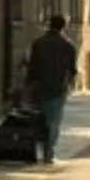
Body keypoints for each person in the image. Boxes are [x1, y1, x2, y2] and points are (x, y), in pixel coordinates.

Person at [24, 15, 78, 165]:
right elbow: (72, 70)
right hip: (57, 88)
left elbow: (32, 67)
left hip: (39, 87)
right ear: (64, 26)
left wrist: (28, 86)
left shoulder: (38, 43)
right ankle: (49, 152)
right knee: (53, 121)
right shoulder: (68, 45)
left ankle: (38, 148)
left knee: (38, 120)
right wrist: (69, 84)